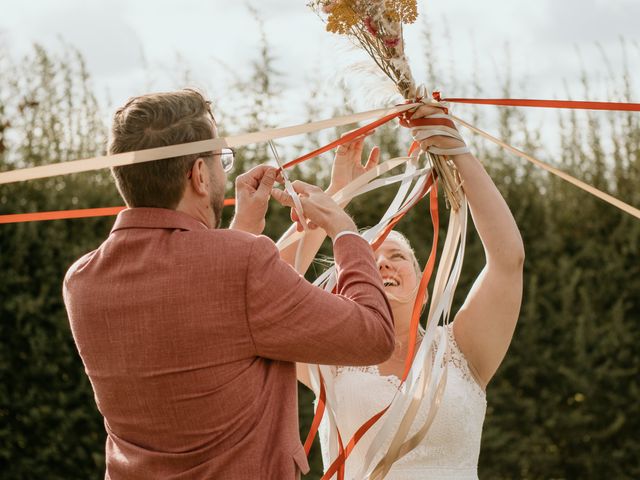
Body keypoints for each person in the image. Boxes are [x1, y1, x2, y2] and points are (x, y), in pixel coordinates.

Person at [62, 88, 396, 480]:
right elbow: (373, 334)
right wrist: (345, 230)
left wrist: (243, 232)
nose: (224, 171)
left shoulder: (82, 281)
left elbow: (205, 321)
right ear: (199, 176)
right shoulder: (241, 263)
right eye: (220, 159)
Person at [283, 103, 525, 479]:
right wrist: (334, 201)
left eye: (396, 256)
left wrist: (454, 147)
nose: (381, 264)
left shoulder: (462, 349)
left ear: (423, 288)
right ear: (348, 283)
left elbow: (508, 261)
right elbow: (263, 293)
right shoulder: (326, 358)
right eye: (368, 258)